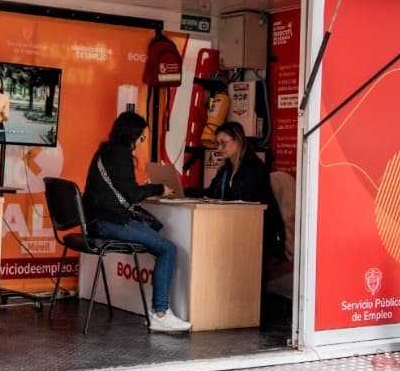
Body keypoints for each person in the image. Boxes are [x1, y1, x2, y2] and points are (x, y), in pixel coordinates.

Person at [83, 111, 192, 333]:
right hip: (108, 221)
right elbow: (131, 194)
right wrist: (159, 188)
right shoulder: (121, 155)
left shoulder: (105, 152)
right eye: (142, 138)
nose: (141, 143)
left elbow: (120, 190)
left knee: (162, 247)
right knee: (168, 249)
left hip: (95, 221)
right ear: (133, 135)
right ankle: (160, 313)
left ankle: (159, 311)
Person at [196, 121, 286, 262]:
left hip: (258, 231)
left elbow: (247, 201)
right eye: (217, 144)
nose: (219, 148)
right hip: (235, 228)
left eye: (223, 143)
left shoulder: (254, 167)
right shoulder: (226, 169)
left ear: (237, 140)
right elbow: (212, 192)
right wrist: (184, 192)